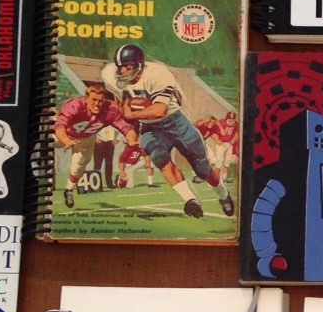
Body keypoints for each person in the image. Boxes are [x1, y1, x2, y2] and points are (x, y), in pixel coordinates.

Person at [104, 43, 233, 219]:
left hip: (176, 123)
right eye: (120, 67)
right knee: (159, 157)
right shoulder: (109, 75)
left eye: (128, 67)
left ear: (139, 65)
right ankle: (190, 200)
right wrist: (125, 110)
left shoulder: (157, 74)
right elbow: (119, 97)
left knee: (204, 171)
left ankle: (223, 194)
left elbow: (160, 110)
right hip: (149, 127)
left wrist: (132, 114)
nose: (123, 71)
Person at [53, 81, 128, 209]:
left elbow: (124, 125)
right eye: (93, 99)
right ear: (86, 98)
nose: (97, 104)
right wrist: (66, 141)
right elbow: (60, 127)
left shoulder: (110, 108)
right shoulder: (75, 105)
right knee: (45, 141)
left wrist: (131, 137)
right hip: (66, 133)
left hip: (86, 138)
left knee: (78, 167)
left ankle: (69, 190)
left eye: (100, 101)